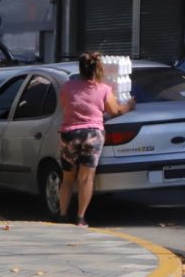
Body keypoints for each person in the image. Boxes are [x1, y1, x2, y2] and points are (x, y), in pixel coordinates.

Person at [57, 51, 135, 227]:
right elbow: (115, 111)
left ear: (81, 69)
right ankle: (80, 218)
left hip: (69, 133)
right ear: (99, 68)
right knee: (85, 178)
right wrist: (130, 104)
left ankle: (62, 215)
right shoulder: (104, 89)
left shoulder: (67, 87)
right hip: (92, 134)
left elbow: (65, 106)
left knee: (68, 178)